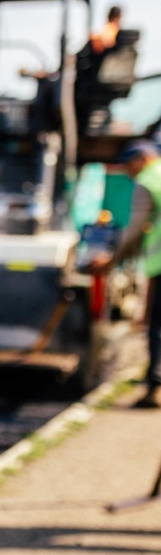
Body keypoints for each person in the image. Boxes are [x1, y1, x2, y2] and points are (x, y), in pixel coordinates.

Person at [88, 141, 161, 408]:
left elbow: (134, 230)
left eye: (128, 166)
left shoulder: (148, 181)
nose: (127, 172)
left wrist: (110, 260)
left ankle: (155, 387)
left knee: (157, 328)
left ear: (140, 160)